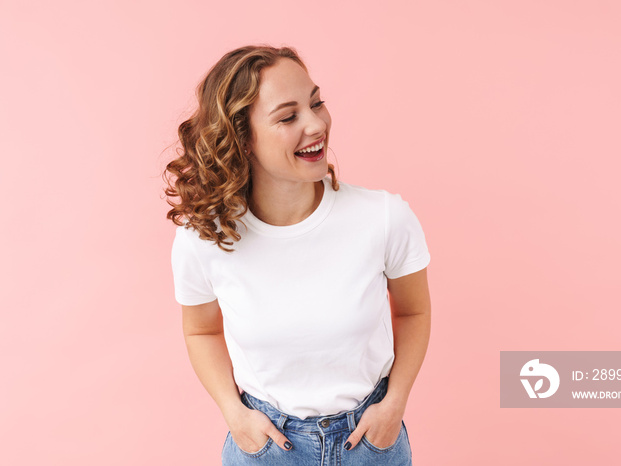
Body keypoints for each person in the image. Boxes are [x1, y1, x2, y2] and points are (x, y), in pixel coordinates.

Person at [163, 44, 431, 466]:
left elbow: (413, 312)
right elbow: (200, 331)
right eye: (288, 117)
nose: (316, 123)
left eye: (317, 103)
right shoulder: (205, 237)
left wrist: (394, 404)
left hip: (371, 443)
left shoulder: (383, 217)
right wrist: (235, 415)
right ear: (241, 139)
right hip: (268, 447)